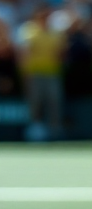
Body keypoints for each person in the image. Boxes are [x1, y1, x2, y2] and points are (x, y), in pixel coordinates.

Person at [17, 7, 65, 140]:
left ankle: (55, 129)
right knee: (35, 101)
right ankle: (34, 128)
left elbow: (60, 53)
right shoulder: (28, 30)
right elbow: (24, 54)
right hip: (34, 73)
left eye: (47, 15)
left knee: (54, 100)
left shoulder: (55, 32)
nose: (45, 18)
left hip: (52, 73)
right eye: (42, 15)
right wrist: (25, 73)